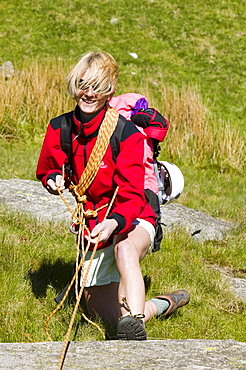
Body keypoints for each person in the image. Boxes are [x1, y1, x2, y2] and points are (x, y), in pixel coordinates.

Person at [36, 51, 190, 340]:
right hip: (94, 220)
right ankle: (156, 306)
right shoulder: (60, 128)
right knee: (96, 308)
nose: (89, 93)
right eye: (83, 84)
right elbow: (47, 168)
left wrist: (115, 222)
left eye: (97, 86)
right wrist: (54, 178)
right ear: (74, 85)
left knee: (124, 250)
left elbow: (133, 194)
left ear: (110, 91)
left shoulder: (127, 133)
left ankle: (135, 324)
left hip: (134, 214)